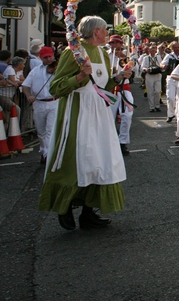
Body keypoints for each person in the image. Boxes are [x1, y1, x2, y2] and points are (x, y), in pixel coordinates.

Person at [39, 16, 132, 230]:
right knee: (76, 159)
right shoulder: (73, 52)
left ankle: (89, 212)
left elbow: (103, 86)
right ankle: (65, 207)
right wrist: (79, 78)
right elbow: (56, 88)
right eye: (104, 29)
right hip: (77, 112)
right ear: (95, 32)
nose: (107, 33)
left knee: (100, 160)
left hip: (99, 113)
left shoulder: (103, 53)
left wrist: (118, 77)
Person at [21, 47, 58, 164]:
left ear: (53, 56)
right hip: (39, 103)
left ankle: (48, 155)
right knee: (40, 131)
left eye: (50, 57)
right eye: (45, 57)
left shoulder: (59, 69)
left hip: (54, 102)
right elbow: (25, 85)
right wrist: (28, 95)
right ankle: (43, 151)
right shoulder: (35, 71)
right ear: (41, 58)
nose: (48, 59)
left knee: (50, 130)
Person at [109, 40, 134, 156]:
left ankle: (122, 142)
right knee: (110, 116)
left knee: (127, 115)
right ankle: (110, 142)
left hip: (124, 88)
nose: (116, 46)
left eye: (118, 44)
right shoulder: (105, 56)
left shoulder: (126, 57)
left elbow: (135, 72)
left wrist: (130, 64)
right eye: (113, 44)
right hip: (111, 90)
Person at [161, 41, 179, 124]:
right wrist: (164, 66)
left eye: (177, 47)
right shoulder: (169, 56)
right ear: (171, 48)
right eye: (174, 47)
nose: (176, 49)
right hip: (171, 78)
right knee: (170, 97)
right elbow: (162, 64)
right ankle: (170, 114)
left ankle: (178, 114)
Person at [139, 46, 162, 113]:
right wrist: (146, 69)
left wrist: (161, 67)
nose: (153, 52)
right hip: (150, 75)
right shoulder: (146, 58)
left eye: (154, 50)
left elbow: (161, 64)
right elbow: (142, 67)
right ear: (149, 51)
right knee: (150, 92)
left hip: (157, 74)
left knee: (158, 91)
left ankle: (157, 106)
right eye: (151, 50)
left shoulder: (158, 57)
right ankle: (152, 107)